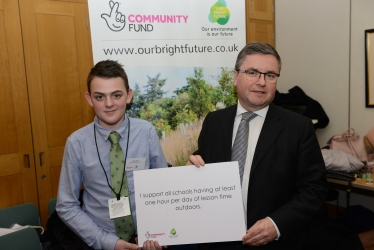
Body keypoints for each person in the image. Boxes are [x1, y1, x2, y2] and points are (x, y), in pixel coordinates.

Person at [187, 42, 365, 249]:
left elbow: (313, 190)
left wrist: (276, 224)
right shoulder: (214, 121)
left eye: (270, 75)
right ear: (236, 77)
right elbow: (205, 164)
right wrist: (194, 169)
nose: (261, 82)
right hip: (218, 239)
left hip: (275, 242)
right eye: (252, 72)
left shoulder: (298, 127)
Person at [56, 60, 168, 250]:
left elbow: (165, 189)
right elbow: (66, 205)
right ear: (89, 99)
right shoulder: (76, 143)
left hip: (145, 240)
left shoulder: (146, 132)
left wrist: (157, 232)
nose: (109, 104)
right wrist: (108, 242)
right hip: (101, 241)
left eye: (116, 95)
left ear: (128, 95)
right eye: (100, 97)